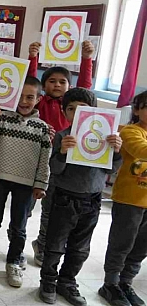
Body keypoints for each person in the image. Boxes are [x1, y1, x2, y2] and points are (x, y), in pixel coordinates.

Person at [38, 88, 122, 305]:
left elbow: (111, 169)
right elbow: (55, 169)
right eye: (71, 109)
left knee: (80, 248)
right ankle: (48, 280)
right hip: (65, 198)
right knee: (55, 244)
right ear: (65, 113)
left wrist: (117, 151)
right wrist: (63, 153)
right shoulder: (63, 137)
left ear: (93, 112)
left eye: (82, 109)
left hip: (92, 200)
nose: (76, 114)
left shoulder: (104, 137)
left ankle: (67, 281)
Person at [0, 76, 51, 288]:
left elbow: (45, 158)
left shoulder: (43, 128)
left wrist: (41, 183)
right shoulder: (3, 118)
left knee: (19, 226)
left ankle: (14, 261)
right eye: (20, 96)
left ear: (39, 99)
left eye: (30, 97)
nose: (24, 101)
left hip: (25, 183)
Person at [27, 40, 95, 267]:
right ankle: (23, 236)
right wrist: (33, 58)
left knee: (49, 211)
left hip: (59, 164)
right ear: (44, 86)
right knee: (28, 206)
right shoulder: (42, 102)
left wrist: (87, 59)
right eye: (52, 81)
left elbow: (85, 89)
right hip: (35, 159)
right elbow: (30, 82)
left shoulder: (75, 108)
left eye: (62, 81)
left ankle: (43, 244)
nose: (57, 85)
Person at [99, 90, 147, 306]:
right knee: (122, 244)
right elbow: (141, 150)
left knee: (141, 246)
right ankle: (110, 284)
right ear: (137, 110)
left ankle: (125, 283)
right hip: (129, 200)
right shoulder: (130, 131)